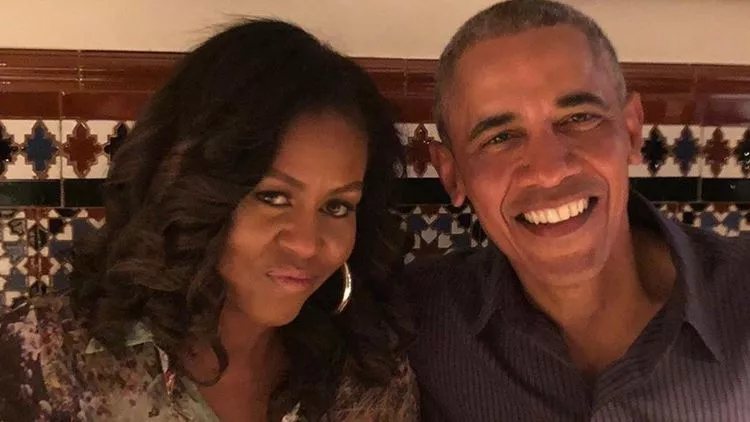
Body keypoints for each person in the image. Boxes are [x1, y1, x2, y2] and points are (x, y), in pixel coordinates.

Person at [0, 19, 420, 422]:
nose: (308, 243)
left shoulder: (366, 376)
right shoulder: (46, 362)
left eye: (337, 207)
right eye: (273, 197)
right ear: (190, 190)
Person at [406, 0, 750, 420]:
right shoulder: (414, 321)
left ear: (631, 131)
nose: (549, 170)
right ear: (452, 174)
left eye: (579, 117)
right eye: (500, 137)